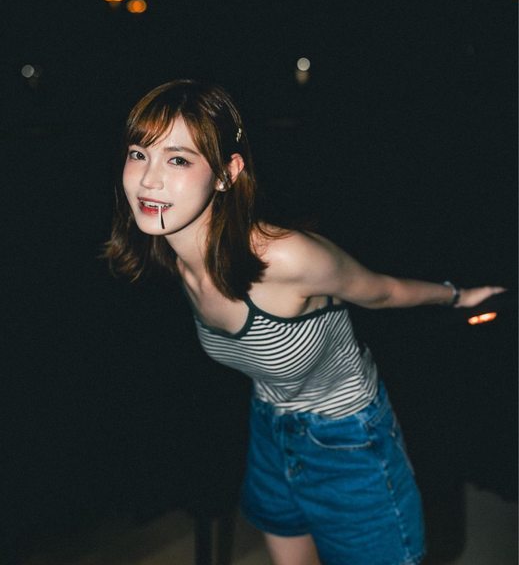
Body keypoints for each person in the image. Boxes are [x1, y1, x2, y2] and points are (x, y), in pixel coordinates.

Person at [104, 79, 504, 565]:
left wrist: (459, 295)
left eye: (178, 160)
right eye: (139, 154)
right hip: (270, 426)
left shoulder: (285, 258)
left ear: (227, 174)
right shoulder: (172, 255)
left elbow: (382, 291)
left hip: (350, 439)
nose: (148, 180)